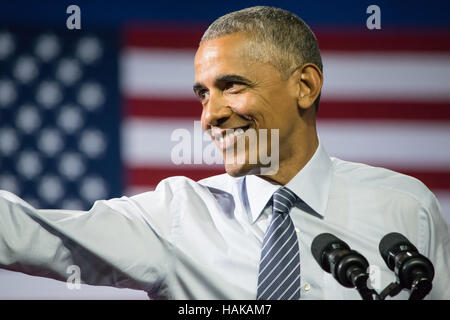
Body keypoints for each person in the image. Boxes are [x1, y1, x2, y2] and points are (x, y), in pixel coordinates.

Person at [0, 6, 449, 300]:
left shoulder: (405, 208)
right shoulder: (177, 215)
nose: (209, 116)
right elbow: (33, 235)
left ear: (305, 86)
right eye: (202, 94)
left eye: (232, 86)